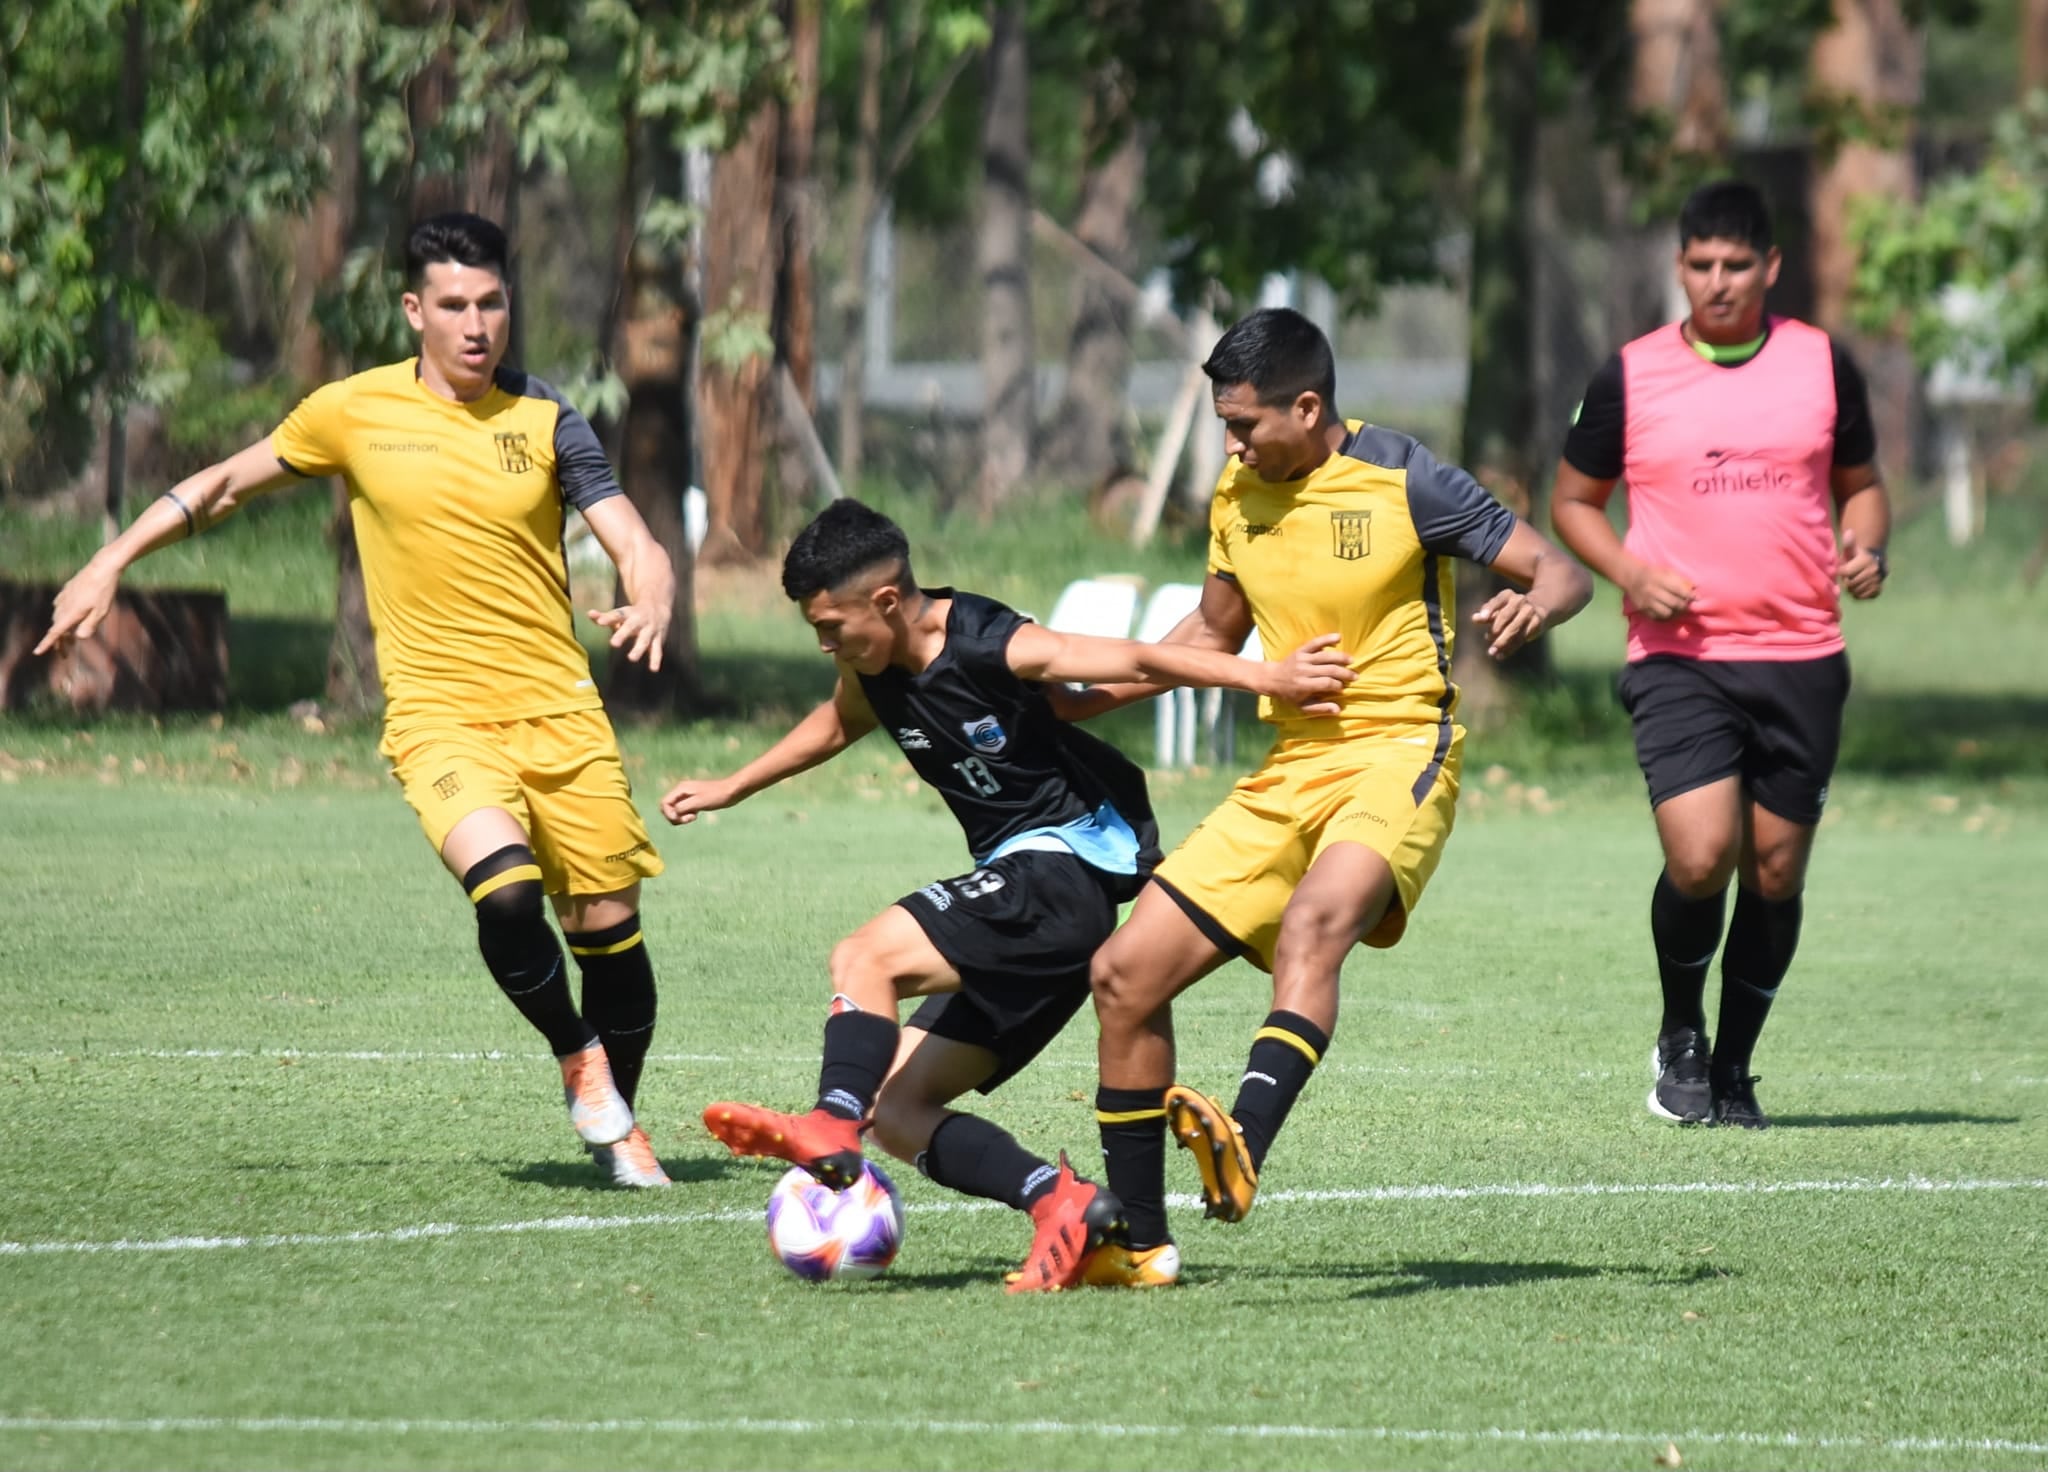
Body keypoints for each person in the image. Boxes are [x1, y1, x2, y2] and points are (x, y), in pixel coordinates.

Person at [36, 213, 679, 1186]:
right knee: (505, 893)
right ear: (414, 309)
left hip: (561, 712)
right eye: (454, 304)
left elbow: (630, 534)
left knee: (608, 938)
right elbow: (221, 487)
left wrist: (652, 592)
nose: (476, 324)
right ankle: (577, 1058)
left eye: (492, 302)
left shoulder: (546, 420)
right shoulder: (353, 409)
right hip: (439, 714)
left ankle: (616, 1114)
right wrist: (109, 560)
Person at [660, 498, 1358, 1292]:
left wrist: (1268, 676)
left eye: (832, 625)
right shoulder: (869, 663)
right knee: (897, 1110)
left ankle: (828, 1120)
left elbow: (1135, 660)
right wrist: (733, 785)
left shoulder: (993, 641)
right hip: (1039, 915)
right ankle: (1058, 1204)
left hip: (1061, 874)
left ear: (887, 601)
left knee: (863, 958)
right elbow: (836, 723)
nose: (826, 643)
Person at [1069, 307, 1591, 1280]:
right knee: (1121, 976)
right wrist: (1083, 699)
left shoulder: (1403, 479)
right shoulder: (1237, 490)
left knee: (1313, 925)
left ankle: (1242, 1146)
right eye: (1223, 424)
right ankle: (1139, 1246)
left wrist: (1535, 600)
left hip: (1399, 751)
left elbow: (1557, 568)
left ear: (1307, 407)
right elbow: (1212, 635)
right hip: (1286, 769)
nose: (1230, 444)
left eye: (1245, 425)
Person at [1550, 180, 1890, 1130]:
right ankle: (1679, 1036)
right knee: (1701, 858)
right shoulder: (1631, 374)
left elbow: (1863, 490)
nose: (1718, 282)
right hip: (1681, 657)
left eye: (1737, 265)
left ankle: (1735, 1068)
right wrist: (1630, 569)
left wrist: (1867, 546)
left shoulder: (1824, 366)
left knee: (1776, 875)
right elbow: (1572, 502)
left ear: (1770, 268)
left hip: (1803, 656)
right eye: (1701, 265)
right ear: (1680, 267)